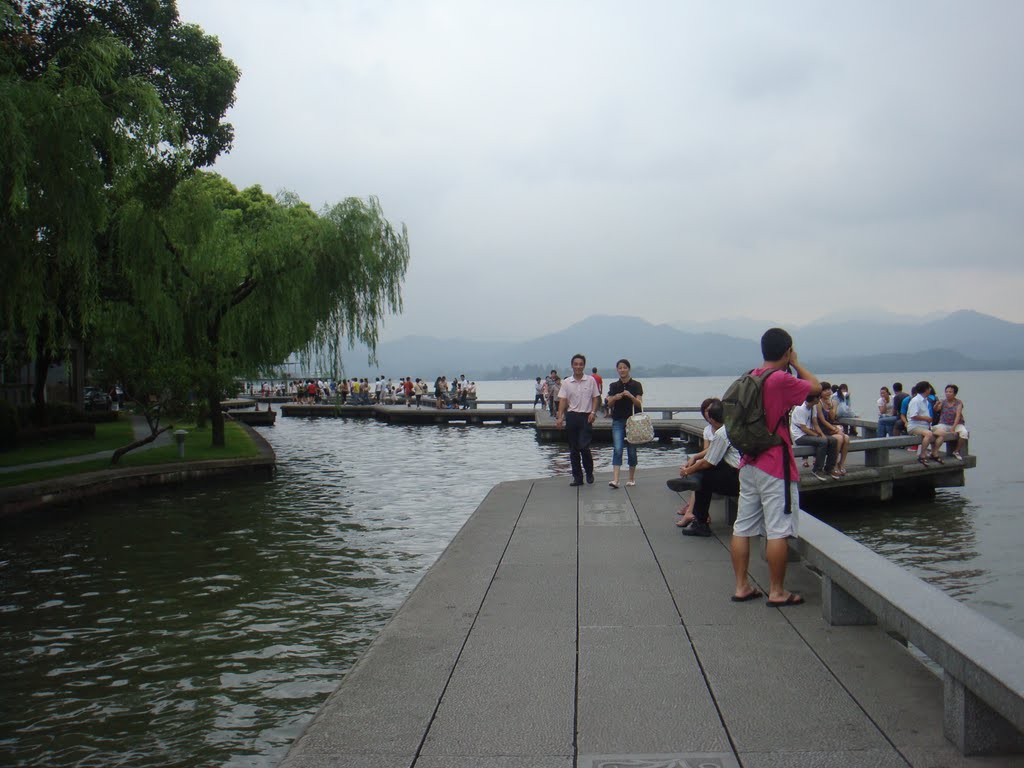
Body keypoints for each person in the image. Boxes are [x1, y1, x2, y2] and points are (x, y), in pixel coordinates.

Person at [730, 328, 821, 606]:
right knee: (778, 529)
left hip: (748, 461)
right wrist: (795, 362)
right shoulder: (780, 379)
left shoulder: (750, 376)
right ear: (786, 351)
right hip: (774, 464)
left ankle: (742, 586)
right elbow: (816, 387)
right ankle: (777, 591)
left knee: (742, 526)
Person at [680, 401, 741, 538]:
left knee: (703, 479)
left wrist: (688, 471)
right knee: (705, 472)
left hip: (739, 480)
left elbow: (708, 462)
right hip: (749, 472)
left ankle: (700, 523)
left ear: (711, 419)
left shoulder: (722, 433)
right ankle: (694, 481)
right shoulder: (738, 427)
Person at [556, 354, 600, 486]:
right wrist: (560, 417)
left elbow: (595, 397)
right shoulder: (567, 382)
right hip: (572, 416)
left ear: (584, 365)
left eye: (581, 364)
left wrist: (593, 412)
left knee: (584, 447)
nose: (578, 366)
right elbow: (563, 400)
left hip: (586, 416)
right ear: (572, 365)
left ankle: (589, 472)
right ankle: (577, 477)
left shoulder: (591, 380)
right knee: (573, 449)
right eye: (576, 364)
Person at [606, 358, 643, 489]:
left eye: (624, 367)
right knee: (617, 448)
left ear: (629, 369)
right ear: (617, 370)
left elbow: (639, 403)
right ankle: (616, 479)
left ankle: (631, 478)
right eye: (620, 368)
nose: (622, 370)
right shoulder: (614, 386)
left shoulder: (636, 385)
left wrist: (631, 396)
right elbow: (609, 404)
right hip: (617, 420)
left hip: (633, 421)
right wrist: (614, 398)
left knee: (632, 450)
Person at [791, 393, 836, 482]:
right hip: (800, 436)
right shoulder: (800, 408)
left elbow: (815, 423)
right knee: (822, 442)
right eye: (818, 397)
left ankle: (829, 468)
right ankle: (817, 469)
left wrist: (822, 434)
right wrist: (818, 436)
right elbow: (804, 428)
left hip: (810, 433)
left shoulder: (813, 407)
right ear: (814, 399)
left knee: (833, 440)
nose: (819, 399)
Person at [815, 382, 850, 476]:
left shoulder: (832, 401)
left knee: (846, 438)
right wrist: (837, 430)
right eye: (825, 390)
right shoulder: (818, 403)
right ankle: (832, 465)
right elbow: (822, 420)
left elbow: (832, 417)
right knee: (839, 438)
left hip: (830, 428)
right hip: (822, 429)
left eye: (828, 389)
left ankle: (841, 464)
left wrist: (831, 407)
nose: (827, 392)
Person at [907, 381, 942, 464]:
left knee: (942, 433)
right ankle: (922, 455)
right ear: (926, 389)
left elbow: (928, 412)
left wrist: (935, 409)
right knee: (928, 434)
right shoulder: (915, 401)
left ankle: (934, 453)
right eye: (929, 388)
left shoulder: (926, 400)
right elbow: (913, 416)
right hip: (914, 426)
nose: (930, 389)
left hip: (926, 426)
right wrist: (926, 418)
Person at [933, 384, 968, 461]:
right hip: (944, 423)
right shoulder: (943, 401)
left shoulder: (959, 403)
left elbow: (958, 416)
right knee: (935, 430)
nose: (948, 393)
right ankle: (934, 451)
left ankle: (956, 451)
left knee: (964, 433)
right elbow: (936, 410)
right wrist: (936, 404)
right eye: (946, 392)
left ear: (954, 394)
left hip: (957, 424)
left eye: (950, 392)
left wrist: (953, 428)